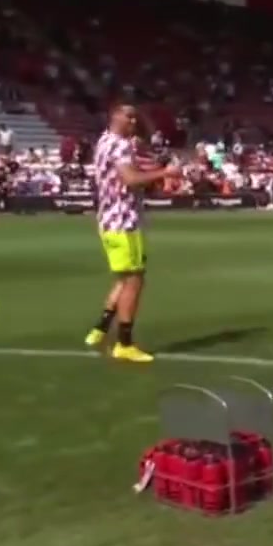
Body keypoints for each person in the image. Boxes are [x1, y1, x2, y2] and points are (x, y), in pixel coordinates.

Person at [84, 104, 181, 363]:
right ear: (120, 119)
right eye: (131, 118)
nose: (134, 122)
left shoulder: (104, 140)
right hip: (124, 220)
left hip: (108, 218)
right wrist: (165, 172)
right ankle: (124, 343)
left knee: (124, 278)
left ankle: (100, 329)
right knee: (134, 280)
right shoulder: (120, 145)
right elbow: (130, 179)